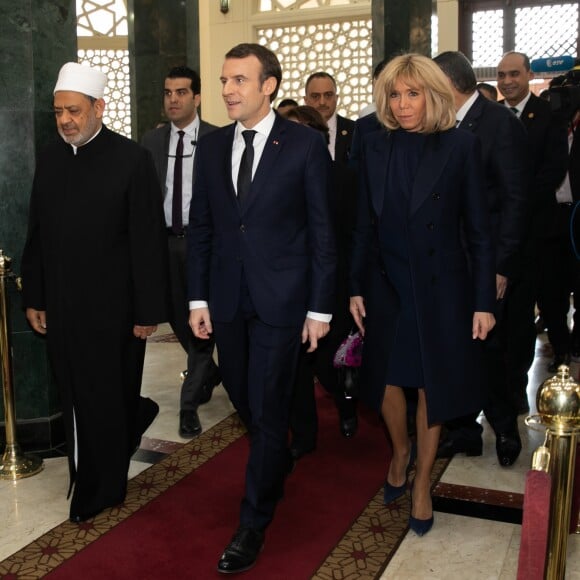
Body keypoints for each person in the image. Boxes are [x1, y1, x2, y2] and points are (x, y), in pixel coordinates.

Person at [187, 44, 336, 573]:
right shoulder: (211, 147)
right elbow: (201, 227)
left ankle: (253, 522)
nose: (228, 90)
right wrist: (198, 297)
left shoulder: (303, 146)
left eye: (240, 81)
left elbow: (322, 232)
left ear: (268, 85)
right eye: (225, 80)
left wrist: (320, 309)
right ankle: (273, 457)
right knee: (245, 398)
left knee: (269, 407)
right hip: (227, 299)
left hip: (283, 301)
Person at [349, 54, 495, 537]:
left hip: (439, 288)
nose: (403, 104)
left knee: (430, 385)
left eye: (413, 94)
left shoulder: (461, 146)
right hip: (387, 285)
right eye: (395, 94)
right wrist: (355, 286)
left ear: (432, 95)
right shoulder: (372, 146)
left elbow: (478, 231)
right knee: (387, 385)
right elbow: (362, 228)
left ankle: (422, 483)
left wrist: (482, 302)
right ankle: (401, 451)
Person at [21, 62, 168, 523]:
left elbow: (147, 240)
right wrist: (35, 296)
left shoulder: (131, 159)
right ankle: (92, 474)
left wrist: (148, 310)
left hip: (115, 310)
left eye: (74, 110)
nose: (65, 119)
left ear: (99, 108)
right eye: (58, 111)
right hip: (63, 309)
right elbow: (37, 232)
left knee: (108, 395)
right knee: (77, 396)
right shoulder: (49, 156)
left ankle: (101, 489)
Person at [433, 51, 528, 466]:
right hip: (447, 262)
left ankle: (505, 428)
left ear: (448, 81)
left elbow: (514, 201)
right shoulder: (438, 125)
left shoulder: (499, 123)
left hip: (485, 260)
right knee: (455, 349)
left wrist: (501, 266)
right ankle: (465, 430)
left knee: (490, 350)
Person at [142, 66, 220, 439]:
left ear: (197, 97)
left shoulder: (217, 139)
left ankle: (188, 406)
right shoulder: (151, 142)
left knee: (201, 323)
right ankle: (210, 371)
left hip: (203, 244)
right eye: (168, 92)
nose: (173, 99)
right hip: (163, 244)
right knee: (176, 318)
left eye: (181, 92)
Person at [496, 52, 569, 377]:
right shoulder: (495, 117)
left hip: (538, 231)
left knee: (533, 308)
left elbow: (554, 169)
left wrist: (517, 198)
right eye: (501, 75)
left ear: (527, 74)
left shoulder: (548, 115)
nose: (508, 81)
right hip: (502, 233)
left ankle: (520, 381)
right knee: (504, 312)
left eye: (514, 74)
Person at [302, 71, 358, 438]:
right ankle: (303, 430)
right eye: (315, 96)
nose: (323, 102)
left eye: (328, 95)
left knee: (328, 355)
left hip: (333, 278)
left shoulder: (345, 171)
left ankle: (346, 403)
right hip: (293, 279)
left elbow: (352, 231)